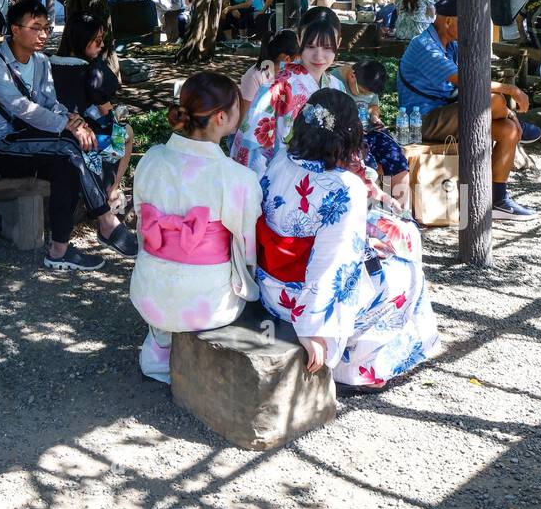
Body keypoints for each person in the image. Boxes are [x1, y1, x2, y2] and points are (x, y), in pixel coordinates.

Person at [255, 88, 440, 389]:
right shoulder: (344, 187)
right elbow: (332, 262)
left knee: (386, 241)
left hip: (268, 286)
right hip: (297, 301)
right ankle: (358, 366)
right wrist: (313, 328)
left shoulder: (280, 160)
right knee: (407, 274)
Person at [0, 0, 136, 269]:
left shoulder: (41, 61)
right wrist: (68, 126)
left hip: (35, 143)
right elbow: (19, 108)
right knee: (69, 147)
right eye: (36, 28)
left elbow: (51, 104)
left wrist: (74, 119)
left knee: (68, 164)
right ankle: (106, 220)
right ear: (15, 29)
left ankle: (59, 251)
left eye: (46, 28)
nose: (44, 35)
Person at [130, 72, 260, 383]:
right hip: (207, 305)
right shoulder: (235, 177)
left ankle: (159, 346)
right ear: (220, 117)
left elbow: (140, 222)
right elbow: (249, 244)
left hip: (148, 291)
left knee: (163, 274)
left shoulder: (151, 158)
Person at [397, 0, 541, 219]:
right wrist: (512, 90)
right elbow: (468, 81)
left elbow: (473, 76)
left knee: (508, 131)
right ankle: (514, 117)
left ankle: (498, 200)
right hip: (422, 119)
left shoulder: (450, 44)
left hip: (447, 112)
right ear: (448, 21)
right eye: (464, 21)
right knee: (493, 100)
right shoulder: (423, 45)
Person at [231, 7, 347, 178]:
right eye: (310, 46)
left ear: (339, 43)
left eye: (327, 47)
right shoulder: (275, 88)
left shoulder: (337, 87)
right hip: (282, 182)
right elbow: (252, 146)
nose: (318, 56)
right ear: (299, 40)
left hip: (327, 181)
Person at [50, 12, 136, 214]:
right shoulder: (89, 70)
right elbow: (105, 109)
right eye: (97, 41)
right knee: (127, 133)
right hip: (83, 142)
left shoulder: (49, 64)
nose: (101, 45)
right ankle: (112, 191)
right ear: (82, 40)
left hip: (56, 134)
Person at [330, 58, 410, 209]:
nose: (365, 96)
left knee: (396, 156)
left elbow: (373, 105)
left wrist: (374, 116)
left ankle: (403, 211)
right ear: (351, 76)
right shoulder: (334, 82)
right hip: (346, 136)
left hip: (369, 130)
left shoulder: (369, 78)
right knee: (367, 163)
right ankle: (367, 213)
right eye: (363, 92)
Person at [238, 29, 299, 117]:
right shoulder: (254, 77)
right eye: (298, 57)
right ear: (287, 59)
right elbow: (245, 116)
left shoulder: (289, 73)